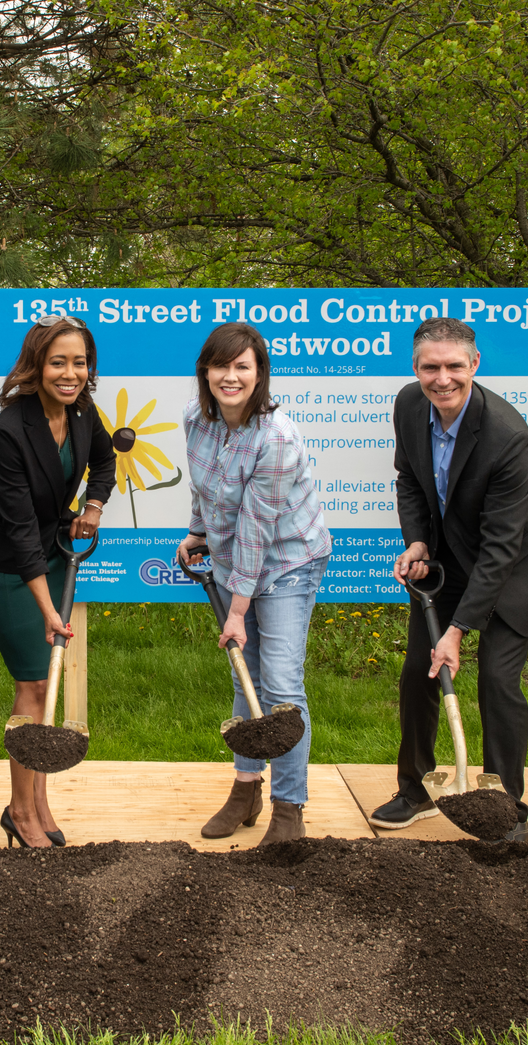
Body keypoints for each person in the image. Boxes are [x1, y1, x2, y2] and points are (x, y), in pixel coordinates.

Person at [375, 317, 528, 841]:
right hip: (449, 555)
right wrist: (417, 540)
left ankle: (507, 807)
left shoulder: (507, 435)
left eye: (454, 366)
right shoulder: (408, 405)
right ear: (415, 368)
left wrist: (457, 632)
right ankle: (415, 791)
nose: (442, 379)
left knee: (496, 681)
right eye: (430, 367)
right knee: (420, 669)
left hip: (516, 562)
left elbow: (502, 546)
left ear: (475, 365)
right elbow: (409, 479)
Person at [175, 322, 332, 847]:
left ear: (259, 373)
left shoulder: (277, 436)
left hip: (288, 561)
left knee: (282, 686)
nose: (231, 376)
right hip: (230, 561)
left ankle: (289, 809)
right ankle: (246, 790)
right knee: (246, 678)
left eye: (243, 366)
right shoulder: (197, 419)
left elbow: (257, 529)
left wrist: (237, 610)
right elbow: (205, 488)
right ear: (206, 370)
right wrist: (198, 531)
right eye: (222, 365)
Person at [0, 315, 116, 847]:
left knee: (44, 683)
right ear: (37, 366)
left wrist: (92, 510)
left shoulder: (81, 412)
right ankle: (19, 812)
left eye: (79, 362)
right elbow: (18, 527)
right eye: (59, 362)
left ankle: (39, 803)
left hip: (50, 553)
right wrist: (49, 607)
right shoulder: (10, 430)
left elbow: (104, 464)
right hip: (5, 566)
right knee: (33, 682)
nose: (70, 372)